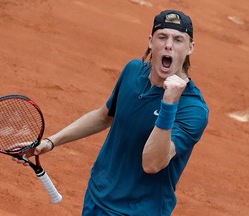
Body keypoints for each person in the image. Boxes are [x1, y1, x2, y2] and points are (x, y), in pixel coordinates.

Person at [15, 10, 209, 216]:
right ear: (151, 42)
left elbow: (152, 163)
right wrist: (50, 142)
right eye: (162, 37)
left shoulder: (193, 109)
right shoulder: (133, 71)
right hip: (97, 197)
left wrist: (169, 104)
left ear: (190, 48)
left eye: (178, 39)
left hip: (138, 211)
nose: (169, 44)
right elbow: (104, 116)